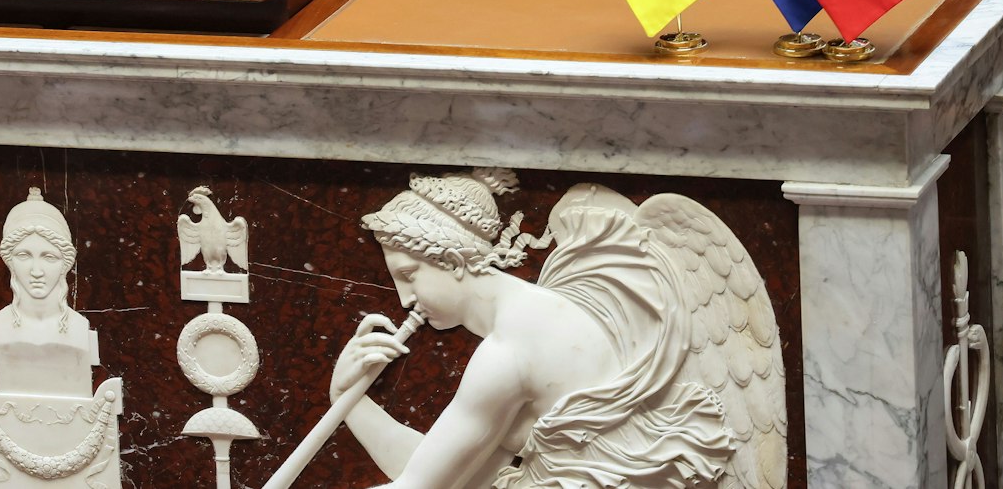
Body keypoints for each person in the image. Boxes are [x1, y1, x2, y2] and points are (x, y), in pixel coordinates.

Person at [329, 170, 770, 489]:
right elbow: (450, 477)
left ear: (453, 260)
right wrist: (348, 402)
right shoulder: (557, 308)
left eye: (408, 275)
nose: (404, 298)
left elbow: (421, 486)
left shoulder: (510, 353)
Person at [0, 188, 97, 398]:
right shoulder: (0, 324)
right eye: (24, 256)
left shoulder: (79, 327)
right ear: (9, 262)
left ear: (65, 264)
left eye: (48, 257)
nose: (36, 272)